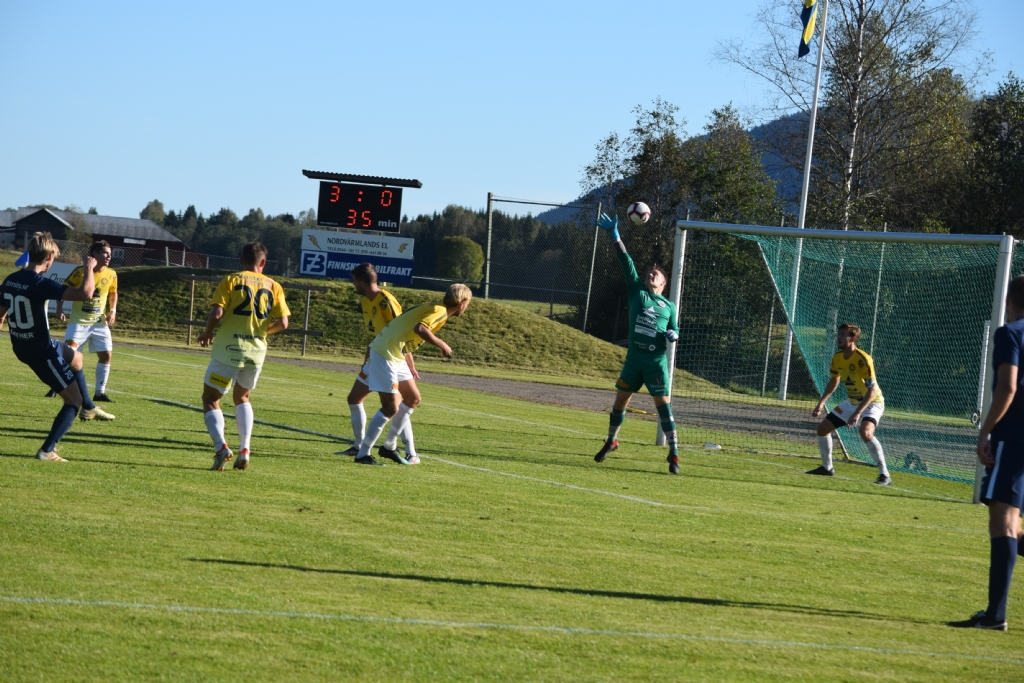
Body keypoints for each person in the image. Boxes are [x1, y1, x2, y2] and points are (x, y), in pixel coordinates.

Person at [949, 275, 1024, 631]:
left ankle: (995, 616)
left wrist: (986, 431)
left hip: (1015, 437)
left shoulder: (1010, 333)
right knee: (1015, 525)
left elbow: (1008, 387)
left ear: (1009, 300)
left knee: (1003, 521)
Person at [0, 232, 115, 461]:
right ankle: (47, 451)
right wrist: (88, 268)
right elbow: (86, 293)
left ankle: (89, 407)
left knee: (76, 358)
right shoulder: (40, 283)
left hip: (22, 344)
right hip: (40, 351)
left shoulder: (10, 279)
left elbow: (0, 314)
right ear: (50, 257)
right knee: (72, 401)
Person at [591, 213, 681, 475]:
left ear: (663, 283)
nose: (651, 274)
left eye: (656, 273)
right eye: (649, 272)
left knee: (663, 407)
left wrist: (673, 334)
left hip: (655, 361)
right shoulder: (637, 292)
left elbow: (675, 328)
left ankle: (674, 452)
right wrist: (615, 235)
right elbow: (626, 261)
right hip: (634, 359)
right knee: (620, 401)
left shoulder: (669, 306)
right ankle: (612, 440)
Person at [354, 283, 472, 466]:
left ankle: (389, 446)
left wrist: (410, 363)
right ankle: (363, 454)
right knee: (390, 407)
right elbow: (420, 329)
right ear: (462, 303)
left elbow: (407, 327)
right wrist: (442, 344)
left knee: (412, 398)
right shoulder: (440, 311)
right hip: (386, 353)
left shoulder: (435, 308)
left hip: (396, 353)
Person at [198, 242, 290, 471]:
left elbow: (217, 312)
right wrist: (261, 333)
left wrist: (207, 332)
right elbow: (283, 323)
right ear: (263, 262)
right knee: (242, 397)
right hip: (256, 352)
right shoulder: (274, 285)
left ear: (241, 261)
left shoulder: (232, 280)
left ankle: (221, 447)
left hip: (229, 350)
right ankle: (245, 449)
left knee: (211, 399)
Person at [336, 263, 417, 462]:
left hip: (391, 358)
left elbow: (403, 332)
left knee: (398, 403)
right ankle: (359, 446)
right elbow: (374, 336)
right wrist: (367, 358)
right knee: (355, 398)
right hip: (377, 356)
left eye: (355, 281)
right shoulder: (366, 301)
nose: (353, 284)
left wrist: (410, 364)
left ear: (363, 283)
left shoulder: (386, 301)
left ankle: (403, 450)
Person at [807, 323, 891, 485]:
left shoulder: (864, 359)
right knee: (822, 429)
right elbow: (834, 380)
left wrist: (857, 413)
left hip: (872, 402)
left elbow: (872, 390)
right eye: (838, 334)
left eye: (843, 335)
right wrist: (821, 403)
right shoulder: (837, 358)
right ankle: (827, 468)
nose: (838, 338)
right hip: (852, 402)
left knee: (865, 432)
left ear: (853, 339)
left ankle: (884, 475)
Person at [58, 240, 119, 402]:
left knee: (106, 355)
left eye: (110, 254)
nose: (109, 256)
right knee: (68, 357)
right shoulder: (80, 272)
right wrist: (59, 308)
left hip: (99, 323)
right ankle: (57, 386)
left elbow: (113, 292)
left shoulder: (111, 273)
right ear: (95, 254)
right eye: (105, 253)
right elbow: (63, 289)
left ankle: (99, 393)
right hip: (78, 323)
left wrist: (112, 310)